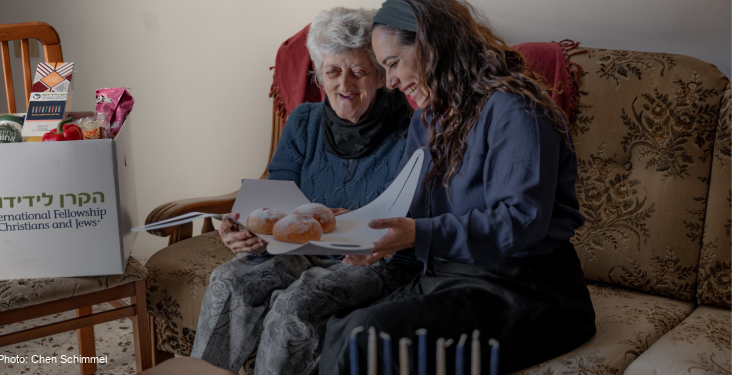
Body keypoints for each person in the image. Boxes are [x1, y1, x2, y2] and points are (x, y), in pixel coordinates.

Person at [318, 0, 597, 374]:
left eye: (393, 63)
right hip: (447, 278)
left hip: (525, 290)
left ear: (432, 45)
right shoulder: (427, 117)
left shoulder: (516, 108)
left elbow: (520, 220)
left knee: (368, 335)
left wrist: (418, 234)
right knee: (339, 326)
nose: (390, 82)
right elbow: (406, 206)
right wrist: (355, 228)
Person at [190, 7, 421, 375]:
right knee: (228, 281)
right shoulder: (303, 121)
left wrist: (349, 225)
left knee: (293, 306)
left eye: (359, 71)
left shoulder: (412, 131)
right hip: (303, 248)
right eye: (332, 71)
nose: (344, 84)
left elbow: (413, 219)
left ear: (381, 75)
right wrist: (247, 232)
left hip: (374, 261)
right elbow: (276, 201)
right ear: (319, 75)